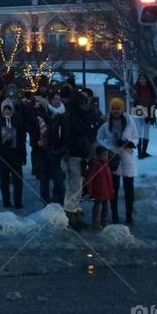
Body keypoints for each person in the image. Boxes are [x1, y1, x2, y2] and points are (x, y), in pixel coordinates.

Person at [96, 97, 139, 225]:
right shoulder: (105, 125)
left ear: (122, 109)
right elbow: (99, 137)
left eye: (118, 108)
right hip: (113, 157)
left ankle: (129, 215)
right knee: (114, 187)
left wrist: (130, 143)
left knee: (129, 187)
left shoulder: (130, 123)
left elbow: (136, 137)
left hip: (127, 157)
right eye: (113, 108)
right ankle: (114, 215)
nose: (115, 111)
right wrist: (108, 148)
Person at [59, 84, 91, 231]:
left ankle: (75, 215)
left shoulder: (75, 116)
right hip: (74, 155)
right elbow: (70, 137)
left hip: (79, 155)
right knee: (74, 187)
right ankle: (71, 217)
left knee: (77, 187)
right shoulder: (73, 118)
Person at [34, 89, 66, 205]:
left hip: (57, 151)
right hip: (44, 151)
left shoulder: (63, 114)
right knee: (45, 179)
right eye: (54, 99)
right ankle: (45, 203)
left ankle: (60, 201)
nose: (56, 101)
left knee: (58, 179)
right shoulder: (44, 112)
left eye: (58, 99)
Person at [0, 96, 26, 209]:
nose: (7, 111)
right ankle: (6, 202)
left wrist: (23, 155)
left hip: (16, 156)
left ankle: (18, 203)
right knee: (4, 181)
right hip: (3, 156)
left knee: (18, 181)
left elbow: (22, 140)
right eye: (5, 109)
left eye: (9, 109)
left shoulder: (18, 122)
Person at [84, 145, 115, 230]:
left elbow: (109, 179)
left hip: (106, 191)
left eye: (107, 155)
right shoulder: (95, 165)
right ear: (98, 155)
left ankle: (103, 220)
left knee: (105, 207)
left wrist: (111, 189)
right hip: (98, 191)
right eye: (104, 155)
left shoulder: (106, 165)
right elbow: (90, 178)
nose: (106, 157)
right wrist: (89, 191)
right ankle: (95, 222)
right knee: (97, 206)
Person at [131, 74, 157, 158]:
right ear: (138, 80)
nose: (142, 80)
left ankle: (144, 151)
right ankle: (139, 152)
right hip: (138, 111)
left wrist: (151, 110)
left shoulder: (150, 89)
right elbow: (135, 98)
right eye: (140, 79)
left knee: (146, 131)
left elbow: (153, 100)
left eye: (144, 79)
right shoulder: (135, 88)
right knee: (138, 131)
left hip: (148, 111)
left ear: (147, 80)